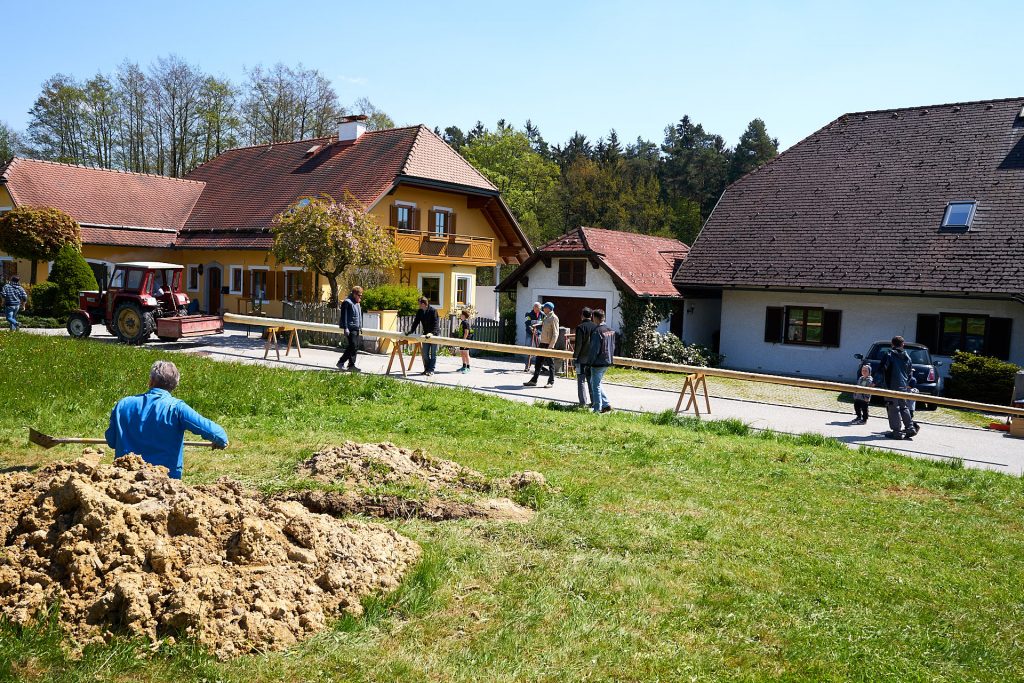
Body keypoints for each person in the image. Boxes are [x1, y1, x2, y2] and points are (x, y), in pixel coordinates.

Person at [105, 360, 228, 479]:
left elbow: (111, 441)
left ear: (151, 381)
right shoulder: (177, 408)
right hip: (163, 484)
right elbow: (216, 434)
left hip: (125, 480)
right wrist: (220, 441)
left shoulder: (123, 404)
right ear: (174, 385)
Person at [877, 335, 918, 440]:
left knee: (893, 409)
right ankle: (910, 429)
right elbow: (909, 374)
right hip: (903, 387)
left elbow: (882, 369)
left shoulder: (889, 354)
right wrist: (906, 383)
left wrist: (876, 382)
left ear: (892, 344)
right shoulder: (908, 357)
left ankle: (897, 432)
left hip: (891, 386)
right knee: (904, 407)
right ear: (903, 344)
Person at [523, 301, 559, 388]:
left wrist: (551, 346)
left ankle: (551, 381)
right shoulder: (546, 317)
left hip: (548, 344)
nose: (542, 309)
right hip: (542, 343)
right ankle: (534, 380)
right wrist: (535, 325)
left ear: (548, 308)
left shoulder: (554, 318)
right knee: (538, 362)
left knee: (550, 364)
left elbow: (556, 333)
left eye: (544, 307)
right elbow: (543, 323)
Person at [586, 309, 615, 413]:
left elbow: (594, 349)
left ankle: (597, 409)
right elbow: (613, 346)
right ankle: (606, 404)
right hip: (608, 360)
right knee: (595, 382)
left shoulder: (597, 331)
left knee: (595, 385)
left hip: (598, 362)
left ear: (595, 318)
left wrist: (589, 363)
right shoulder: (610, 330)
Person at [409, 296, 440, 376]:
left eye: (419, 304)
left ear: (423, 304)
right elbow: (416, 322)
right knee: (425, 354)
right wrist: (411, 331)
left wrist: (432, 333)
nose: (418, 305)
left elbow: (436, 324)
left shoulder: (433, 311)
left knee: (433, 354)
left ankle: (431, 370)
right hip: (425, 334)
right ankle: (426, 369)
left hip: (434, 335)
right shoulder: (420, 311)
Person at [573, 307, 597, 406]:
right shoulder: (596, 327)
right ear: (591, 316)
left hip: (581, 359)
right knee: (591, 380)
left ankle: (582, 402)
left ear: (582, 315)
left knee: (581, 380)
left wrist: (575, 357)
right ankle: (594, 401)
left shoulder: (580, 327)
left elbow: (578, 344)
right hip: (592, 359)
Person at [336, 286, 363, 372]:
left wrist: (360, 327)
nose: (360, 297)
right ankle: (341, 362)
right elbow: (344, 316)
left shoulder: (357, 302)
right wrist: (345, 328)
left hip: (356, 327)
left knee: (355, 347)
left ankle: (351, 365)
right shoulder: (347, 302)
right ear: (354, 294)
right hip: (350, 328)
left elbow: (358, 316)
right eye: (359, 295)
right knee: (352, 346)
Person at [523, 302, 543, 370]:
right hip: (530, 333)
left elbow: (543, 323)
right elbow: (527, 323)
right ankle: (527, 365)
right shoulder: (528, 314)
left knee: (539, 349)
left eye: (540, 309)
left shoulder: (542, 314)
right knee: (528, 348)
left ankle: (539, 366)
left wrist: (538, 331)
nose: (538, 310)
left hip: (538, 333)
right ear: (534, 308)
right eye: (537, 309)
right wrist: (531, 329)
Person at [457, 309, 472, 374]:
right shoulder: (462, 322)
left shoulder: (466, 323)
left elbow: (466, 332)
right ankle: (464, 366)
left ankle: (468, 367)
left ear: (464, 316)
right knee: (462, 353)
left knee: (466, 354)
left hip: (465, 340)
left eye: (461, 314)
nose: (460, 315)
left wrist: (464, 340)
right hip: (462, 340)